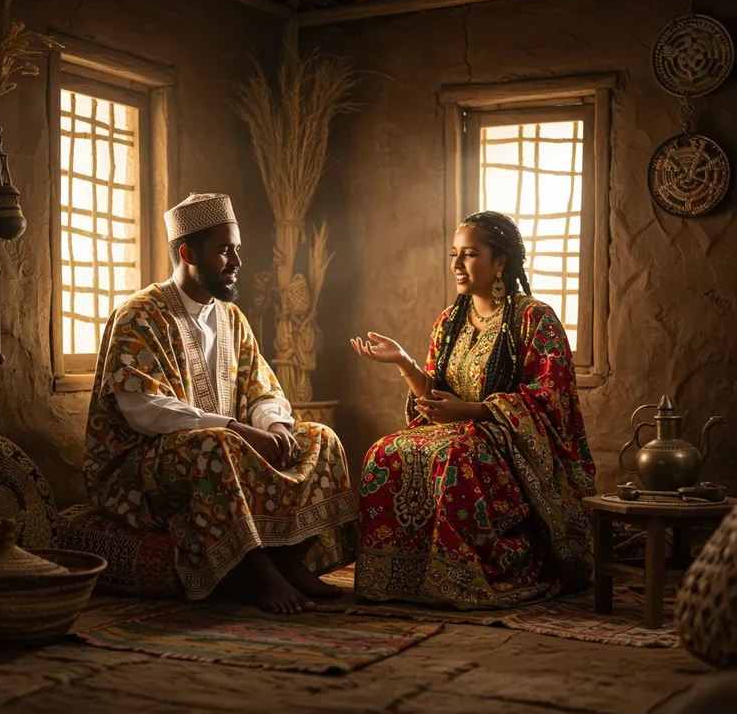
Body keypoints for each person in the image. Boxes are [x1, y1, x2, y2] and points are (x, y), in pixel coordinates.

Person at [83, 193, 357, 614]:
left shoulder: (231, 318)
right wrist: (232, 428)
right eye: (225, 250)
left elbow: (261, 388)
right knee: (216, 446)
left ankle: (290, 559)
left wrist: (275, 426)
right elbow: (141, 408)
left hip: (226, 447)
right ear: (187, 253)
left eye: (237, 249)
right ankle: (253, 568)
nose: (237, 261)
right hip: (138, 470)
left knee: (318, 437)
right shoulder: (138, 315)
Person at [350, 211, 596, 609]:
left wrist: (475, 411)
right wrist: (403, 362)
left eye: (469, 254)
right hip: (459, 432)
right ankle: (398, 575)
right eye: (454, 254)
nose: (457, 265)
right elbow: (435, 394)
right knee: (384, 451)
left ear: (500, 262)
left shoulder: (534, 319)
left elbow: (551, 399)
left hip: (511, 443)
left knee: (455, 455)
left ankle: (470, 574)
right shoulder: (449, 321)